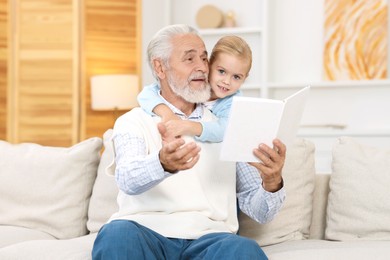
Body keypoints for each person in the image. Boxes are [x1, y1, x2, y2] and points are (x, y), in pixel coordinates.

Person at [92, 24, 286, 260]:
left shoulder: (230, 124)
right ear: (160, 67)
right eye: (189, 59)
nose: (201, 68)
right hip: (144, 231)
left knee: (244, 250)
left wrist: (272, 181)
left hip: (211, 239)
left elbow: (260, 211)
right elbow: (127, 180)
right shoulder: (133, 121)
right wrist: (162, 163)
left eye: (204, 58)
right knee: (116, 235)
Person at [137, 35, 252, 142]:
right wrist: (166, 113)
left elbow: (225, 130)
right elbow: (145, 95)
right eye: (221, 71)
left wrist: (189, 126)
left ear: (245, 78)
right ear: (209, 64)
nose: (226, 81)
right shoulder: (198, 84)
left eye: (236, 77)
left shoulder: (234, 102)